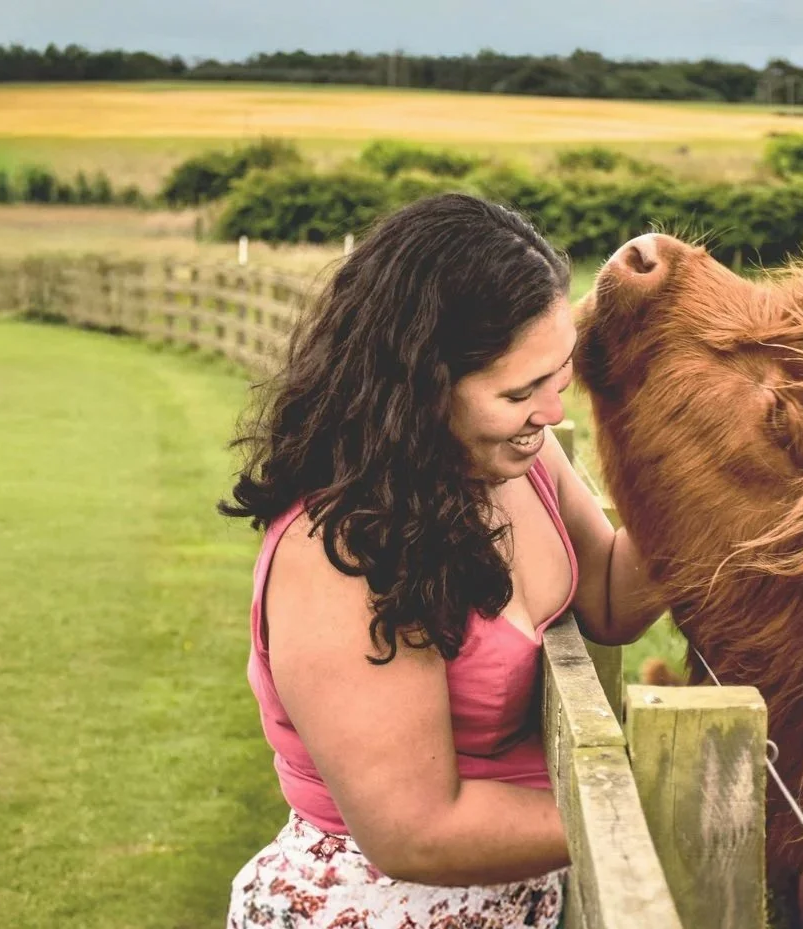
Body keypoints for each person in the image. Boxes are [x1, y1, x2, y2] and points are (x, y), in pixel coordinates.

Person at [219, 193, 666, 928]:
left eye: (557, 377)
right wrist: (646, 814)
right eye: (519, 391)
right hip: (373, 910)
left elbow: (613, 595)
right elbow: (414, 829)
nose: (553, 413)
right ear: (419, 387)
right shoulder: (340, 550)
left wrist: (709, 482)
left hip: (509, 899)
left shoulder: (521, 457)